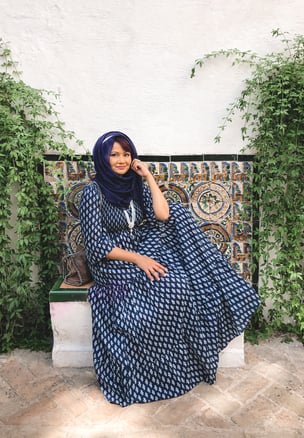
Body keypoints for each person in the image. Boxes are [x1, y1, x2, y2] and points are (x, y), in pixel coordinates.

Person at [79, 131, 260, 407]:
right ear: (102, 158)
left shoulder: (132, 184)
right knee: (153, 292)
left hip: (139, 247)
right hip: (111, 260)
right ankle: (147, 374)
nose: (121, 160)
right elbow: (96, 245)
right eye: (113, 154)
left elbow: (162, 214)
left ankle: (184, 366)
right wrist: (139, 260)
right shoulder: (93, 192)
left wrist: (148, 176)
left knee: (178, 283)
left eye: (126, 154)